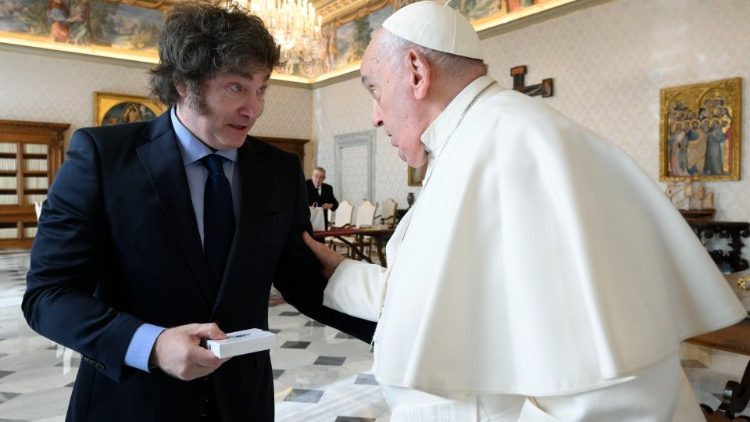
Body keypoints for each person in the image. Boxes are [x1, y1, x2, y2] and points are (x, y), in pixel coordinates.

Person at [301, 2, 746, 420]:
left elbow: (609, 384)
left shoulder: (522, 145)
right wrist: (341, 272)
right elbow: (436, 292)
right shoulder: (465, 144)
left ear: (416, 72)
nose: (376, 116)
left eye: (374, 89)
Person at [22, 3, 374, 421]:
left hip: (242, 404)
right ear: (183, 84)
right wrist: (151, 345)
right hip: (133, 403)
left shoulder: (278, 171)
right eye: (236, 87)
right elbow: (48, 295)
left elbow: (302, 282)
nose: (254, 109)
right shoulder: (103, 159)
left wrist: (402, 331)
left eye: (262, 89)